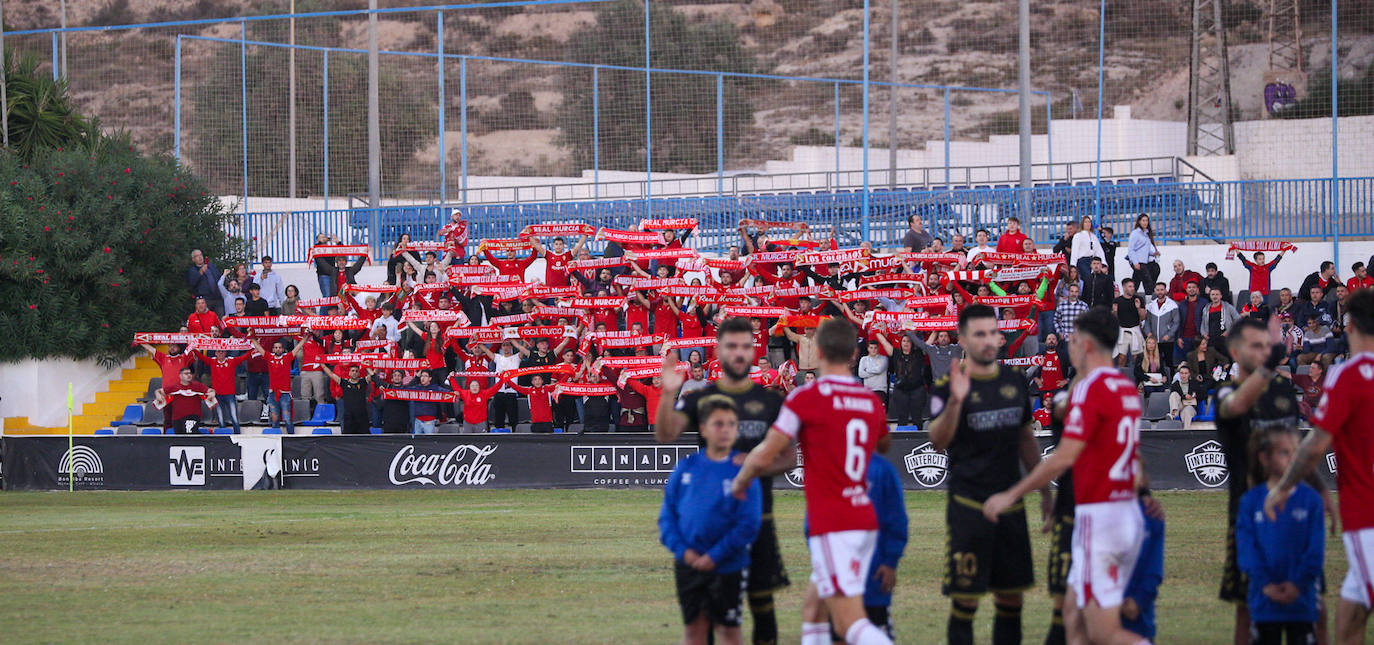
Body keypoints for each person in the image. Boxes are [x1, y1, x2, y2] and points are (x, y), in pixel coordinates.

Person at [983, 307, 1147, 645]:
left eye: (1072, 341)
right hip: (1124, 513)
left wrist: (1011, 495)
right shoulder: (1126, 387)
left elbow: (1065, 457)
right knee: (1072, 617)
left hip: (1098, 517)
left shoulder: (1089, 388)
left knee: (1104, 632)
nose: (1067, 347)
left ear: (1085, 345)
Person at [730, 317, 893, 645]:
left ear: (817, 351)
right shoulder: (870, 401)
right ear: (852, 354)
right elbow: (883, 444)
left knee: (850, 621)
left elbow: (768, 451)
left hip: (833, 521)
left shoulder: (807, 398)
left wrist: (740, 480)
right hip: (864, 516)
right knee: (814, 609)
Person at [657, 317, 790, 645]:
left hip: (758, 518)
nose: (739, 353)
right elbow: (666, 433)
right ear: (718, 350)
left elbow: (788, 457)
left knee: (762, 604)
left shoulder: (771, 401)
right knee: (707, 612)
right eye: (732, 346)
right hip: (711, 522)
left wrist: (754, 467)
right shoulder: (702, 398)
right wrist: (667, 393)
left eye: (746, 346)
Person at [927, 305, 1046, 645]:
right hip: (969, 506)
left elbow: (1026, 438)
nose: (988, 340)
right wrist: (956, 403)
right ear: (963, 339)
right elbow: (937, 440)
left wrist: (1046, 492)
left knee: (1012, 598)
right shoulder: (948, 385)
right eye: (979, 334)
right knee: (965, 599)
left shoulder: (1013, 381)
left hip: (1012, 507)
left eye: (992, 332)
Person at [1213, 316, 1334, 645]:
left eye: (1267, 346)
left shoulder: (1282, 388)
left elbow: (1294, 448)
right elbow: (1239, 404)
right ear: (1236, 352)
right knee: (1246, 608)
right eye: (1257, 346)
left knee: (1315, 606)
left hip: (1292, 507)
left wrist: (1322, 490)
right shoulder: (1226, 392)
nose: (1265, 352)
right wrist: (1268, 367)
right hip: (1248, 511)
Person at [1265, 288, 1374, 645]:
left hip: (1367, 516)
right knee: (1353, 604)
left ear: (1350, 324)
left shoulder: (1349, 374)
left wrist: (1280, 489)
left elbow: (1314, 446)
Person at [659, 397, 763, 645]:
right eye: (718, 424)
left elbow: (748, 524)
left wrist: (714, 556)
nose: (725, 429)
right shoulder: (686, 468)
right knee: (694, 629)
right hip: (688, 564)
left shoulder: (744, 470)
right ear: (703, 429)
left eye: (731, 424)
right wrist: (685, 553)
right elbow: (667, 519)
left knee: (728, 630)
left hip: (728, 564)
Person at [1238, 428, 1325, 645]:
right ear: (1264, 458)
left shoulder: (1311, 500)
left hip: (1302, 601)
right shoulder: (1251, 501)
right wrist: (1266, 584)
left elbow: (1315, 551)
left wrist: (1297, 584)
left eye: (1296, 452)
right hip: (1264, 602)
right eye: (1285, 452)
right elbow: (1247, 550)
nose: (1293, 459)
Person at [1122, 497, 1165, 642]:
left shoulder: (1150, 515)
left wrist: (1139, 600)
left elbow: (1154, 570)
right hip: (1105, 609)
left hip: (1140, 618)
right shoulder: (1097, 514)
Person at [197, 348, 259, 434]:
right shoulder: (212, 361)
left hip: (230, 394)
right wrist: (194, 349)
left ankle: (238, 436)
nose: (221, 353)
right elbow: (200, 356)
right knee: (220, 418)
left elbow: (245, 357)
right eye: (219, 351)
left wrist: (252, 347)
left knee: (234, 417)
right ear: (215, 353)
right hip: (217, 395)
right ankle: (223, 436)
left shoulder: (231, 361)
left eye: (222, 351)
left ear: (226, 352)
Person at [251, 337, 305, 435]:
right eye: (275, 347)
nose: (277, 349)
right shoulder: (269, 357)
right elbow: (259, 348)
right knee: (274, 419)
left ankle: (291, 439)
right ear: (273, 349)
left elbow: (297, 348)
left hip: (285, 394)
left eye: (279, 347)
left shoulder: (287, 358)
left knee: (287, 418)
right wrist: (252, 338)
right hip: (272, 394)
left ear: (283, 349)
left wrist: (305, 338)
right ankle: (274, 440)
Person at [154, 366, 215, 434]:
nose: (189, 375)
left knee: (190, 432)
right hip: (177, 418)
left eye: (190, 373)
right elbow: (158, 391)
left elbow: (211, 390)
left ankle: (207, 440)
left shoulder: (198, 386)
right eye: (186, 373)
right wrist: (158, 395)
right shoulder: (174, 386)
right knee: (180, 437)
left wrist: (212, 393)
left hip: (193, 415)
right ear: (180, 376)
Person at [321, 363, 373, 435]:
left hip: (362, 417)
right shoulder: (344, 382)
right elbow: (331, 374)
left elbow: (374, 374)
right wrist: (322, 365)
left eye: (356, 371)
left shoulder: (363, 382)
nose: (354, 372)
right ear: (349, 373)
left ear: (359, 373)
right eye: (352, 371)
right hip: (349, 417)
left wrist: (367, 366)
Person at [1144, 282, 1180, 366]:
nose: (1160, 292)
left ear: (1166, 291)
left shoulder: (1172, 305)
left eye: (1162, 290)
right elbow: (1147, 322)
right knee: (1155, 363)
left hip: (1167, 340)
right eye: (1158, 290)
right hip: (1154, 341)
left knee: (1169, 362)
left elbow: (1176, 322)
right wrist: (1149, 333)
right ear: (1155, 291)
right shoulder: (1150, 305)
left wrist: (1169, 335)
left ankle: (1170, 378)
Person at [1114, 278, 1146, 367]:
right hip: (1122, 331)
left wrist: (1138, 308)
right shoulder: (1117, 300)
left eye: (1133, 286)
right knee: (1121, 357)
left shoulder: (1138, 299)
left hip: (1135, 330)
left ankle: (1137, 378)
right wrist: (1115, 311)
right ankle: (1120, 378)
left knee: (1137, 357)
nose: (1132, 288)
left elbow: (1143, 318)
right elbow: (1114, 319)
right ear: (1124, 288)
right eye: (1130, 286)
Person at [1127, 214, 1161, 291]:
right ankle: (1149, 299)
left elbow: (1144, 249)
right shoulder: (1135, 233)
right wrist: (1135, 262)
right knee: (1147, 281)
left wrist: (1153, 253)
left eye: (1146, 221)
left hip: (1144, 261)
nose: (1145, 223)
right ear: (1139, 221)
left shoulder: (1146, 234)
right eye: (1143, 220)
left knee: (1136, 280)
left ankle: (1131, 297)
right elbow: (1131, 249)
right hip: (1138, 261)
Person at [1071, 216, 1106, 281]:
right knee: (1088, 278)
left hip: (1092, 260)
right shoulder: (1078, 236)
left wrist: (1104, 263)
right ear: (1082, 224)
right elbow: (1074, 251)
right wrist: (1073, 265)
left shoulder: (1093, 236)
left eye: (1089, 222)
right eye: (1086, 222)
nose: (1088, 224)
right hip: (1082, 261)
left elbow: (1099, 250)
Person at [186, 249, 221, 313]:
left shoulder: (211, 266)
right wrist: (200, 272)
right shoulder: (192, 270)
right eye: (197, 256)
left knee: (219, 319)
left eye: (201, 255)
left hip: (217, 297)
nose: (200, 257)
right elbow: (192, 283)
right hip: (204, 299)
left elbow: (219, 277)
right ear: (193, 259)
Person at [857, 342, 889, 406]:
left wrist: (867, 370)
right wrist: (875, 371)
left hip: (880, 390)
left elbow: (879, 370)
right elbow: (861, 374)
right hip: (867, 390)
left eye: (875, 348)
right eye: (871, 348)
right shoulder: (863, 359)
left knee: (880, 412)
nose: (873, 350)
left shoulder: (884, 358)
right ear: (868, 349)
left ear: (878, 348)